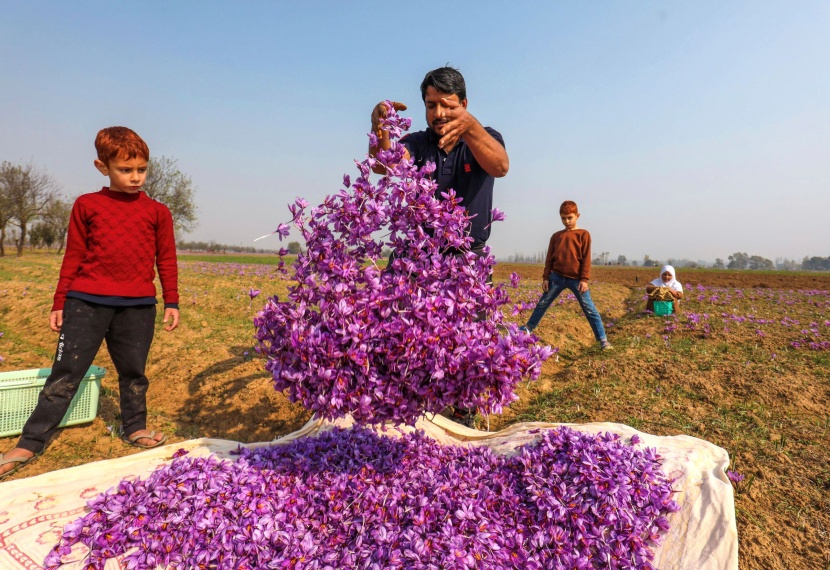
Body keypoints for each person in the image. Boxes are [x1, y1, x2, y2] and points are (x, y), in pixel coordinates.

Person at [0, 127, 180, 480]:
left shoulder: (158, 212)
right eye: (126, 170)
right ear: (103, 167)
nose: (135, 177)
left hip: (138, 305)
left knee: (134, 373)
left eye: (142, 169)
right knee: (66, 373)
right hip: (86, 302)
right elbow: (74, 256)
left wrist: (171, 300)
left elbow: (167, 259)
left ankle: (134, 426)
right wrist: (59, 301)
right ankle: (30, 442)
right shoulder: (87, 205)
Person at [369, 66, 509, 427]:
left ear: (464, 104)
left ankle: (463, 414)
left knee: (469, 347)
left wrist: (471, 128)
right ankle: (400, 408)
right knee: (395, 335)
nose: (439, 114)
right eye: (431, 106)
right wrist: (380, 129)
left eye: (448, 105)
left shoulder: (486, 137)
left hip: (466, 262)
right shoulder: (418, 143)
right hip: (417, 259)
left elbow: (501, 165)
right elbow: (386, 167)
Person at [521, 201, 612, 350]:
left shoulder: (584, 235)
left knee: (589, 308)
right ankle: (528, 329)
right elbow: (549, 258)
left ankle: (603, 340)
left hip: (577, 280)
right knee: (543, 304)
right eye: (563, 218)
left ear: (578, 216)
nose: (567, 221)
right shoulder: (556, 236)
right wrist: (545, 277)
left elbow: (586, 259)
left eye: (570, 217)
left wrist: (584, 279)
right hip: (556, 277)